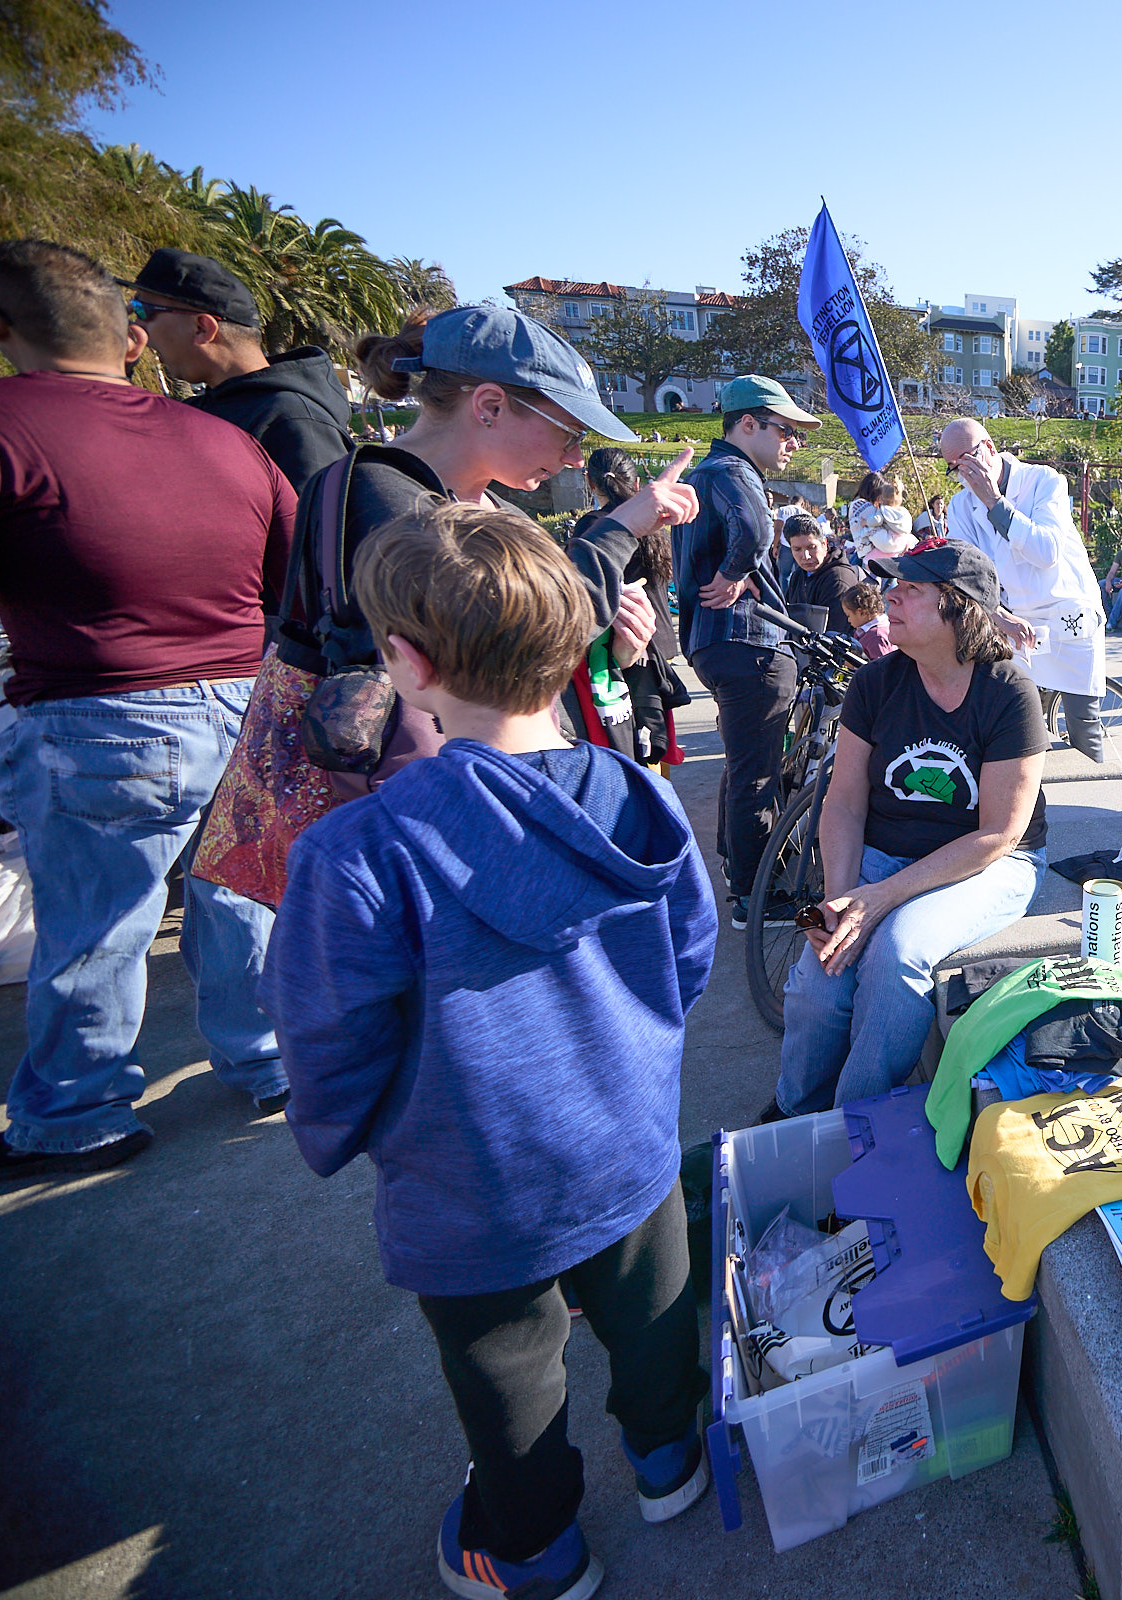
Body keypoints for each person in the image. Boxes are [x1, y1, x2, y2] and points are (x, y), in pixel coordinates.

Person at [263, 500, 715, 1597]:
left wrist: (352, 1134)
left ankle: (538, 1547)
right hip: (627, 1137)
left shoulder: (358, 851)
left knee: (507, 1375)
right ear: (575, 643)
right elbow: (690, 953)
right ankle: (671, 1459)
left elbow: (329, 1043)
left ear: (406, 663)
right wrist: (634, 1053)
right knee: (656, 1318)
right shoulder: (641, 794)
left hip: (472, 1179)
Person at [0, 239, 296, 1182]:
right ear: (135, 342)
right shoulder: (228, 440)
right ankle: (271, 1061)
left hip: (100, 713)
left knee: (100, 921)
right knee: (242, 897)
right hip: (244, 703)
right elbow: (289, 582)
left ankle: (78, 1113)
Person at [191, 304, 668, 910]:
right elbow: (501, 640)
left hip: (440, 810)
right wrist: (621, 528)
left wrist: (614, 636)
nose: (577, 457)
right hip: (374, 827)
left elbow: (543, 639)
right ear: (489, 406)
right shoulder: (380, 495)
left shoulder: (489, 509)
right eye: (570, 431)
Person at [773, 541, 1047, 1114]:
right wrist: (837, 899)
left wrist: (880, 898)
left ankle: (858, 1127)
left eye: (910, 588)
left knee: (896, 954)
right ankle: (796, 1118)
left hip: (987, 862)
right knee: (818, 977)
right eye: (893, 585)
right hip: (881, 851)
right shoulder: (875, 683)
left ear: (958, 607)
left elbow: (1000, 832)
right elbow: (844, 801)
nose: (889, 597)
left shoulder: (1008, 692)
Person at [674, 375, 821, 931]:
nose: (793, 444)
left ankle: (741, 871)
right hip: (750, 644)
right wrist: (737, 572)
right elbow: (757, 528)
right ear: (748, 424)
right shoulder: (734, 472)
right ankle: (757, 899)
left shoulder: (706, 474)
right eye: (786, 431)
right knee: (757, 775)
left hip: (719, 645)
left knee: (742, 768)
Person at [936, 417, 1107, 760]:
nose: (963, 475)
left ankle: (1099, 807)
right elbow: (968, 574)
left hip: (1068, 610)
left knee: (1082, 723)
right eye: (953, 469)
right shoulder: (959, 507)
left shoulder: (1043, 481)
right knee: (1015, 720)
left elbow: (1046, 553)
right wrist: (1000, 618)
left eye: (967, 462)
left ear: (989, 449)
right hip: (1013, 619)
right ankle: (1031, 805)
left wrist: (995, 502)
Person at [124, 248, 353, 492]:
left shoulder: (294, 421)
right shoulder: (205, 409)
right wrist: (116, 370)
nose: (137, 325)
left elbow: (319, 527)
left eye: (142, 310)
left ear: (202, 328)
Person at [562, 448, 686, 768]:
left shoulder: (596, 526)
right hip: (659, 639)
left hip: (627, 644)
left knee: (637, 741)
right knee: (655, 735)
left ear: (590, 482)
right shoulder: (652, 522)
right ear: (638, 481)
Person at [781, 512, 866, 636]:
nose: (806, 556)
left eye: (811, 547)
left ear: (824, 544)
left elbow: (835, 635)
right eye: (797, 549)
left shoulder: (838, 581)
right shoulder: (799, 575)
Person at [845, 469, 915, 560]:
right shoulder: (862, 506)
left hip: (876, 555)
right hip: (875, 556)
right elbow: (882, 537)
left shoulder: (863, 505)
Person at [841, 581, 893, 660]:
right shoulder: (864, 630)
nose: (848, 620)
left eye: (849, 615)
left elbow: (881, 667)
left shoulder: (876, 637)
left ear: (862, 612)